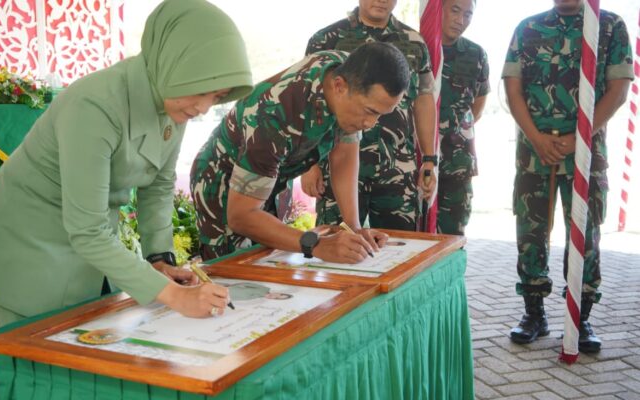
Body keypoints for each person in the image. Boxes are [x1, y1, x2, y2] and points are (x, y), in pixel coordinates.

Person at [0, 0, 254, 326]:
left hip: (85, 241)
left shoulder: (174, 100)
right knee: (43, 359)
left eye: (216, 96)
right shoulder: (94, 105)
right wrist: (177, 297)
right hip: (27, 244)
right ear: (173, 64)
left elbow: (158, 186)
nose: (203, 107)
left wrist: (159, 260)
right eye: (202, 91)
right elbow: (88, 230)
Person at [190, 42, 407, 262]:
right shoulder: (273, 115)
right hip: (223, 184)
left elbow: (343, 154)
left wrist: (354, 228)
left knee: (270, 260)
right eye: (369, 111)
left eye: (380, 115)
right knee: (236, 275)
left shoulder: (350, 75)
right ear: (339, 87)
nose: (371, 123)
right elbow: (241, 216)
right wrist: (318, 245)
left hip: (269, 176)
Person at [503, 0, 632, 351]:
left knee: (585, 235)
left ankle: (581, 317)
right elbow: (513, 89)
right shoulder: (527, 28)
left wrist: (578, 140)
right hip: (534, 153)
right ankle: (534, 313)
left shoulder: (609, 26)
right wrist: (536, 138)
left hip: (586, 154)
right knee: (530, 234)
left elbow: (618, 91)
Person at [300, 0, 437, 231]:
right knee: (337, 245)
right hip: (337, 164)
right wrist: (309, 164)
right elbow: (309, 101)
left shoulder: (414, 43)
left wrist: (430, 159)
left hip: (397, 170)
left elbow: (424, 100)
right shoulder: (326, 40)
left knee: (399, 249)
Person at [436, 0, 489, 236]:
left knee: (452, 236)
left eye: (468, 15)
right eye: (455, 11)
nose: (461, 20)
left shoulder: (475, 54)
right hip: (412, 164)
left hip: (457, 164)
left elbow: (476, 108)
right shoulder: (414, 48)